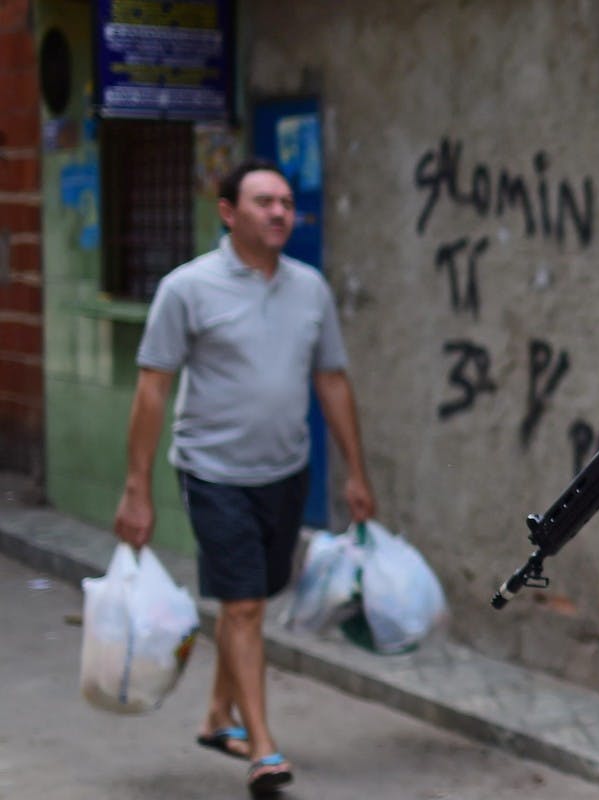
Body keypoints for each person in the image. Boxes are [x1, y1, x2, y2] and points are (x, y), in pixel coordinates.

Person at [113, 157, 376, 795]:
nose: (280, 212)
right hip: (212, 471)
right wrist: (136, 488)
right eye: (264, 202)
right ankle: (263, 748)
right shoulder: (187, 289)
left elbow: (332, 381)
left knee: (255, 597)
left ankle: (216, 715)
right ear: (228, 212)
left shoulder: (310, 288)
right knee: (245, 605)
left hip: (285, 470)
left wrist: (355, 473)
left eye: (286, 202)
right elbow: (152, 389)